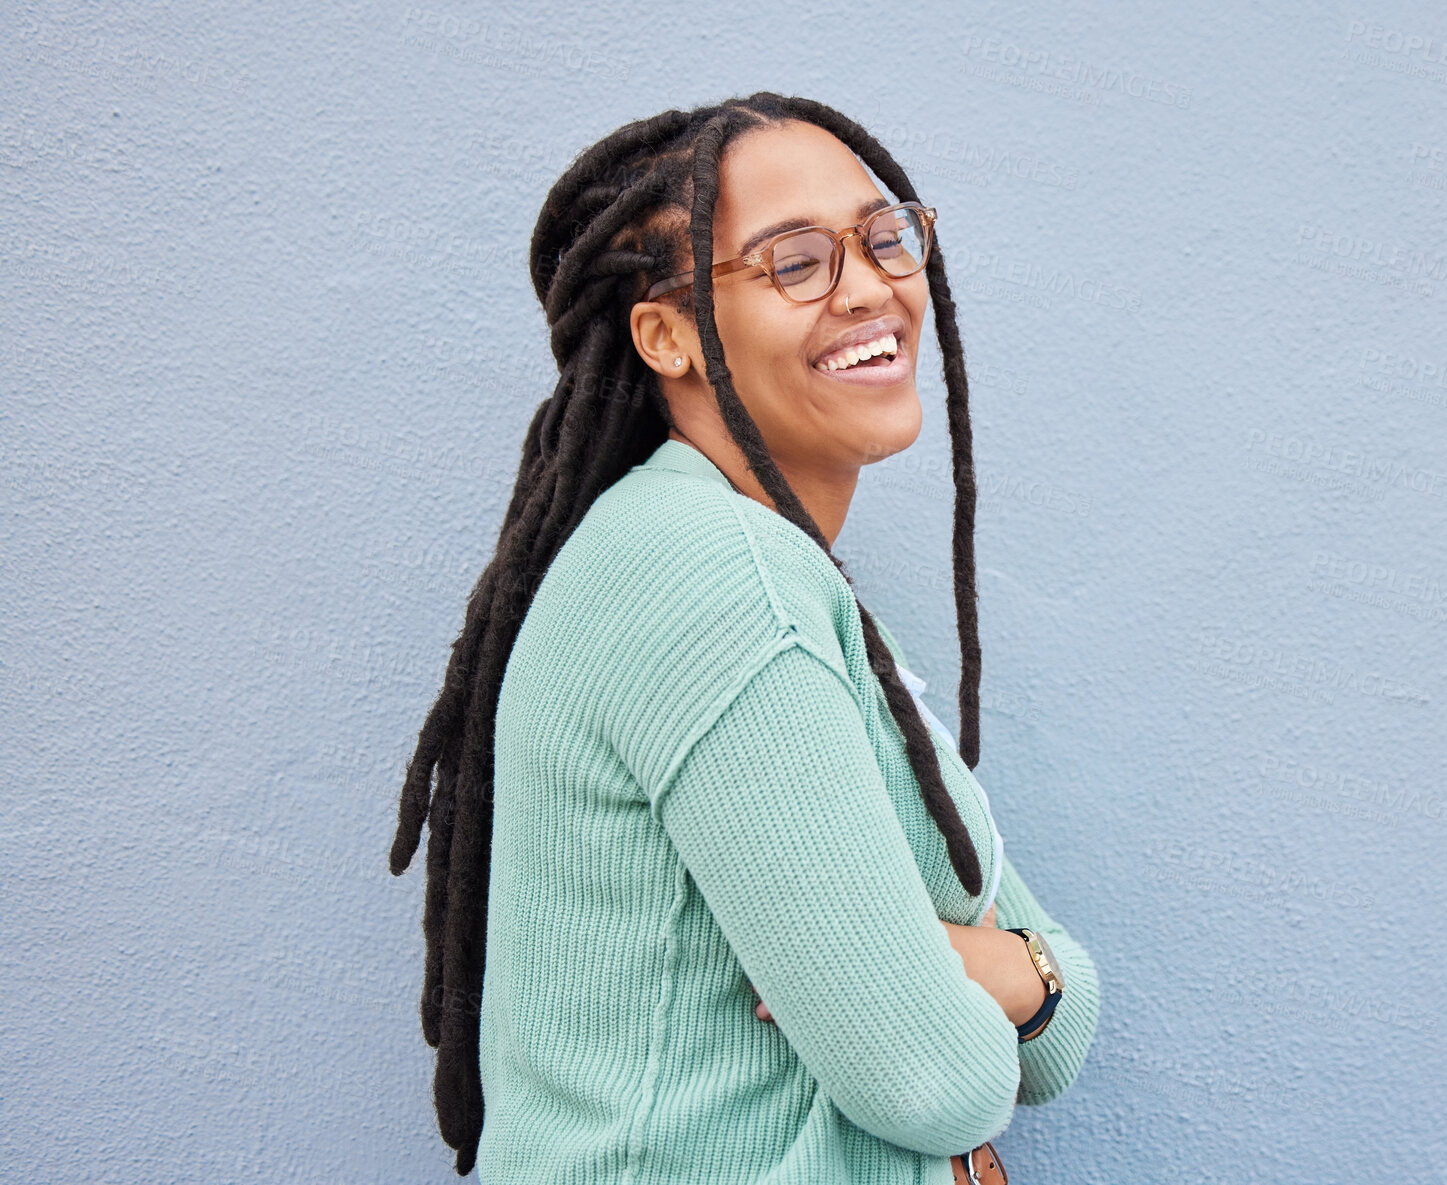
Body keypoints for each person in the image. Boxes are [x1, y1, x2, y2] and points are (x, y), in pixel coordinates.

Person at [387, 91, 1100, 1183]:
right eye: (796, 262)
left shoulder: (782, 581)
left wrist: (1017, 977)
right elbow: (935, 1078)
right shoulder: (714, 582)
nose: (870, 287)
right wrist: (1011, 982)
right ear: (665, 336)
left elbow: (1066, 1033)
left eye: (884, 236)